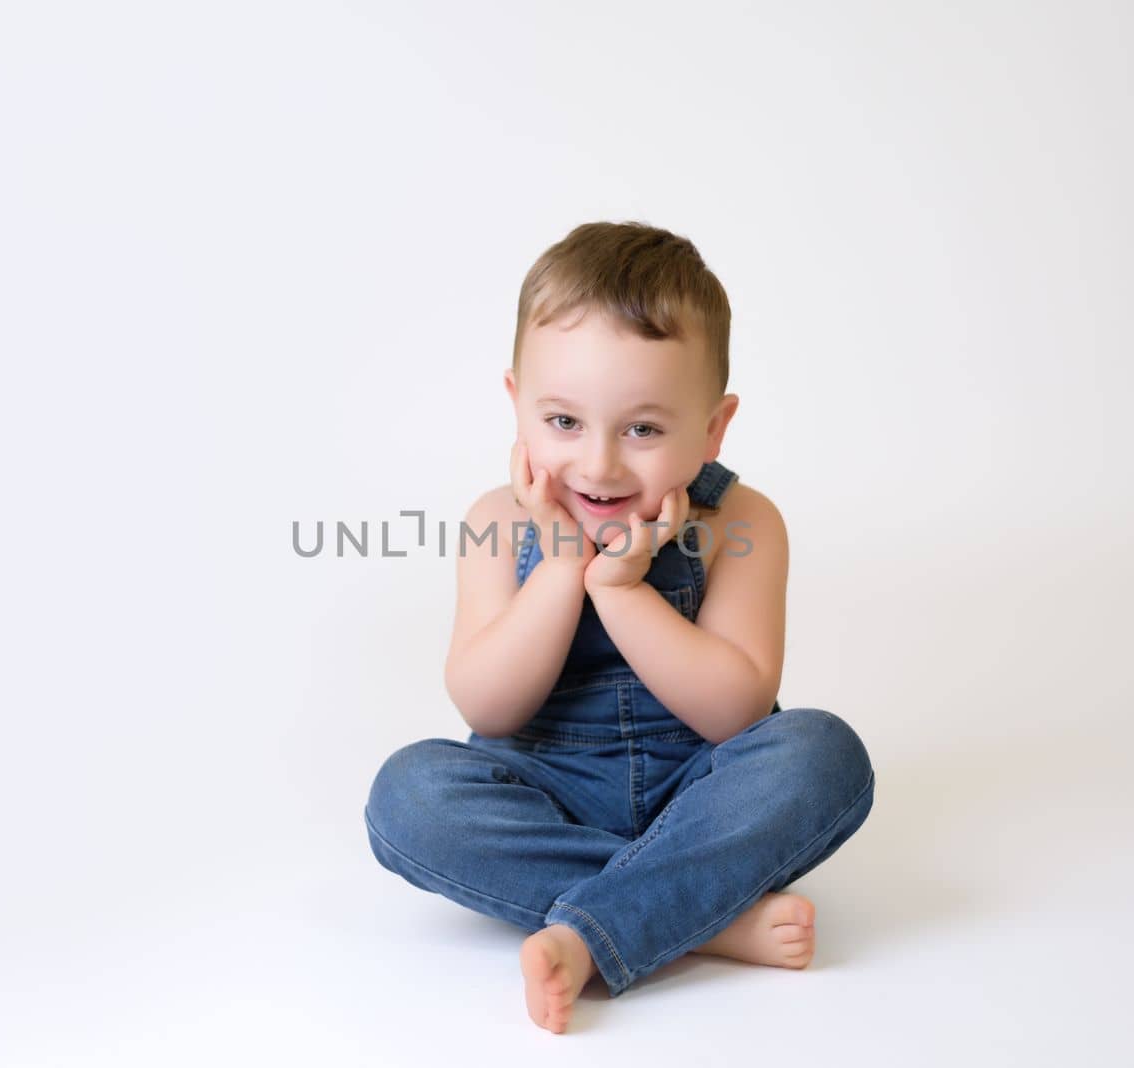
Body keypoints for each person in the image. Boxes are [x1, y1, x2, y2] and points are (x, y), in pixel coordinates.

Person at [363, 221, 875, 1034]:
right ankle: (699, 911)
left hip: (699, 790)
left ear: (713, 428)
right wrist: (563, 570)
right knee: (408, 797)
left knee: (824, 755)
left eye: (642, 429)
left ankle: (614, 913)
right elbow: (488, 709)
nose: (598, 465)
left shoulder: (739, 520)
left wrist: (624, 588)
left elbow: (736, 711)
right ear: (516, 404)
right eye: (563, 422)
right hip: (547, 791)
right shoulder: (496, 521)